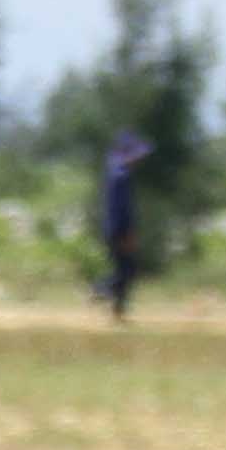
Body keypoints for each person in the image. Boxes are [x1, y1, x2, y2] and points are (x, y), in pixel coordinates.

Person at [97, 130, 150, 322]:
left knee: (123, 270)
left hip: (113, 228)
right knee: (127, 270)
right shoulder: (121, 176)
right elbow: (122, 209)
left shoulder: (114, 173)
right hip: (119, 230)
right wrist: (127, 233)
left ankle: (117, 310)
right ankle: (100, 291)